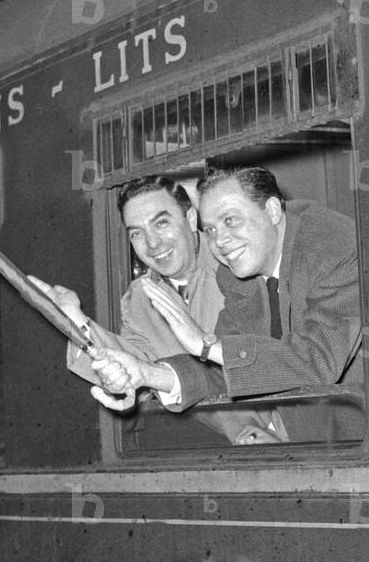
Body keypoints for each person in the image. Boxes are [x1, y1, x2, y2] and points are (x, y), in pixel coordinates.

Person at [91, 166, 364, 444]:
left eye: (230, 219)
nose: (219, 241)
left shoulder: (334, 247)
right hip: (310, 442)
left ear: (271, 211)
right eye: (210, 229)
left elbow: (318, 360)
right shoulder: (234, 272)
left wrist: (207, 345)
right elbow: (226, 367)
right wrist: (150, 374)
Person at [29, 174, 275, 444]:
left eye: (161, 223)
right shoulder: (139, 298)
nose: (152, 243)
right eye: (137, 233)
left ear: (191, 219)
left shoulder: (235, 259)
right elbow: (137, 368)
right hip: (222, 445)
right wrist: (75, 319)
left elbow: (258, 360)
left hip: (289, 430)